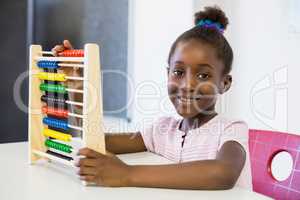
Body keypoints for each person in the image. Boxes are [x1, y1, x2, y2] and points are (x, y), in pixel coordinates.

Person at [52, 6, 252, 190]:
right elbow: (96, 142)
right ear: (168, 74)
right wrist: (77, 87)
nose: (187, 85)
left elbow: (222, 173)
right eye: (179, 72)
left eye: (203, 75)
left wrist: (127, 174)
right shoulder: (163, 131)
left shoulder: (230, 129)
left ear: (224, 83)